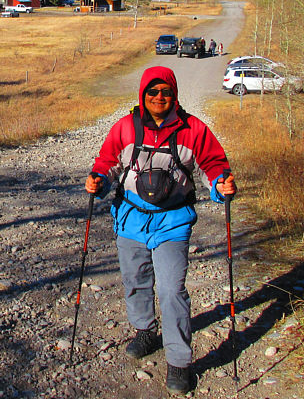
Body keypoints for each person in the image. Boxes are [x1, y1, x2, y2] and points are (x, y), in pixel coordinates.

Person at [85, 66, 237, 394]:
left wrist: (220, 184)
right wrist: (98, 182)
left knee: (171, 290)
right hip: (130, 219)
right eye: (152, 92)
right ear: (143, 95)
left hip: (173, 221)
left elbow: (214, 165)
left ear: (174, 94)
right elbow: (108, 162)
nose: (159, 97)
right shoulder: (126, 127)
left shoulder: (192, 129)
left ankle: (179, 361)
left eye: (165, 92)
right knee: (135, 281)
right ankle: (145, 332)